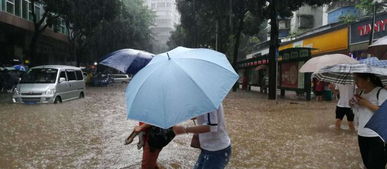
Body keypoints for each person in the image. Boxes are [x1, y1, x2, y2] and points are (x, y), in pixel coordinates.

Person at [173, 104, 231, 169]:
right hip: (209, 148)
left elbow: (211, 127)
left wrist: (185, 130)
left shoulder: (209, 103)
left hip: (216, 150)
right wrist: (196, 115)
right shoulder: (206, 99)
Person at [351, 73, 387, 169]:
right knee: (367, 164)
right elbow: (360, 112)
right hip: (362, 134)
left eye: (357, 79)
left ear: (367, 79)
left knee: (376, 165)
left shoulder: (381, 92)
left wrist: (366, 103)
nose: (356, 82)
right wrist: (353, 103)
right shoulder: (361, 93)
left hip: (376, 135)